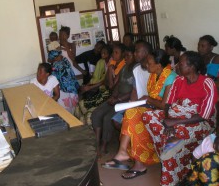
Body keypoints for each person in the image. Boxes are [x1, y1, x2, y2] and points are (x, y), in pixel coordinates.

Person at [143, 51, 218, 186]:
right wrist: (168, 121)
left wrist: (175, 122)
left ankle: (170, 148)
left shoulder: (207, 83)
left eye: (181, 63)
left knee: (178, 131)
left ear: (192, 66)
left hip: (199, 121)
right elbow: (167, 105)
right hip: (176, 116)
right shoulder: (178, 81)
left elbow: (204, 115)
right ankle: (171, 141)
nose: (177, 65)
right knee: (147, 115)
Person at [103, 49, 177, 180]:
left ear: (159, 65)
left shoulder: (170, 77)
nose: (146, 65)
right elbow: (153, 99)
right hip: (153, 109)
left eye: (149, 63)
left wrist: (147, 99)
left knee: (134, 118)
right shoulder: (155, 75)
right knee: (131, 113)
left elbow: (165, 105)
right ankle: (124, 153)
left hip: (166, 113)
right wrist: (145, 100)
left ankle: (132, 159)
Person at [90, 46, 135, 156]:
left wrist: (118, 99)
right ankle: (97, 144)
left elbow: (134, 92)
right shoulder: (124, 68)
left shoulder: (136, 70)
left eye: (128, 56)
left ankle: (104, 146)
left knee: (108, 117)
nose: (126, 58)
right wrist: (113, 97)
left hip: (126, 101)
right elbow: (116, 84)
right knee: (96, 113)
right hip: (117, 98)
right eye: (125, 56)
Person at [76, 45, 112, 125]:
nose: (102, 55)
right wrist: (86, 85)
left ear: (109, 54)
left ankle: (88, 122)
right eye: (102, 53)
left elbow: (104, 81)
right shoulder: (101, 62)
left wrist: (89, 87)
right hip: (98, 86)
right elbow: (95, 77)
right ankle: (81, 125)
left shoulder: (112, 64)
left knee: (86, 103)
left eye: (105, 53)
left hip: (104, 89)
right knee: (80, 100)